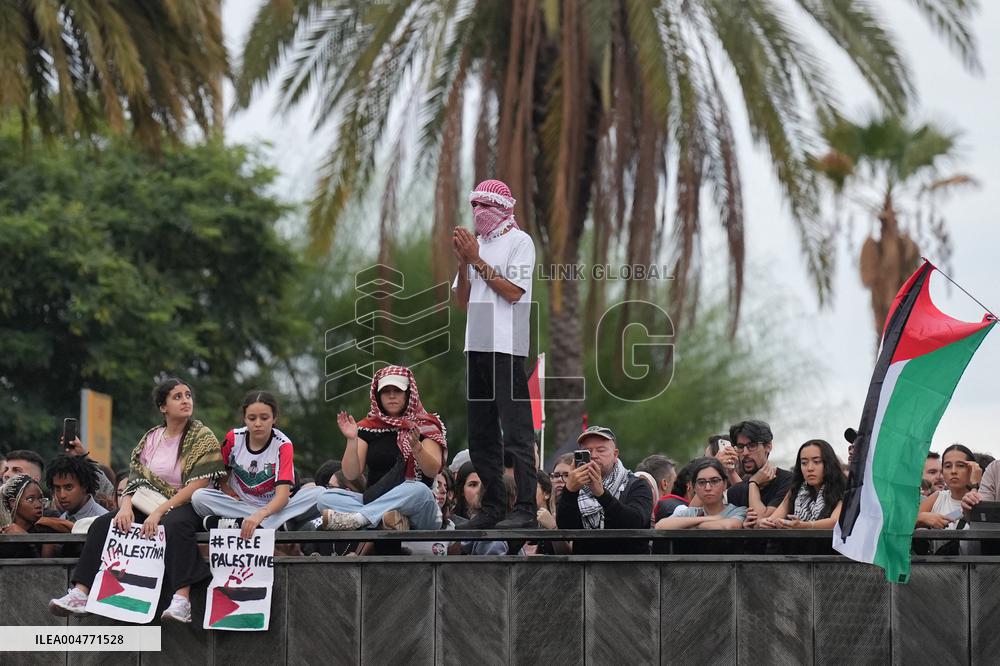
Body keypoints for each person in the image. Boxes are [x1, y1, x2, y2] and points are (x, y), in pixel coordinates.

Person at [48, 377, 225, 623]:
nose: (185, 401)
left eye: (188, 395)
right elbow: (136, 478)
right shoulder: (152, 437)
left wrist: (160, 512)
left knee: (174, 525)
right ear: (163, 407)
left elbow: (199, 484)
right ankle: (81, 592)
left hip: (188, 503)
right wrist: (126, 506)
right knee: (103, 524)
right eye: (177, 397)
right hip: (148, 502)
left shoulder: (202, 435)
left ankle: (182, 599)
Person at [452, 178, 537, 529]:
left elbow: (514, 292)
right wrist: (463, 262)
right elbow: (462, 302)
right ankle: (494, 506)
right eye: (474, 206)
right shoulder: (477, 246)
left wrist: (476, 260)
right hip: (477, 346)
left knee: (517, 432)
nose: (478, 213)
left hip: (507, 347)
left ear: (504, 208)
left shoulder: (520, 241)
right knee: (481, 434)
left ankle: (527, 508)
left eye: (485, 206)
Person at [318, 366, 446, 532]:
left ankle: (361, 518)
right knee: (324, 498)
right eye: (386, 391)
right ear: (378, 396)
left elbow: (432, 470)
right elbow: (351, 474)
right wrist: (351, 440)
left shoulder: (426, 425)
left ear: (408, 394)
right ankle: (387, 519)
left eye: (397, 390)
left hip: (418, 509)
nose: (392, 396)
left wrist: (417, 448)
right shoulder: (367, 427)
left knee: (419, 490)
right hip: (376, 498)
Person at [191, 391, 323, 537]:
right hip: (241, 505)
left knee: (320, 494)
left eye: (264, 418)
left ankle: (238, 523)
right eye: (252, 418)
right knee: (198, 497)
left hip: (274, 507)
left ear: (274, 418)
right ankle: (276, 524)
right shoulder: (233, 439)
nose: (258, 424)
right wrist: (227, 490)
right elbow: (223, 474)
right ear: (244, 418)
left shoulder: (283, 445)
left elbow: (283, 496)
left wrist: (260, 515)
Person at [556, 426, 653, 554]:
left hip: (629, 568)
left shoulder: (637, 484)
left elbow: (636, 523)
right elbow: (566, 528)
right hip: (585, 568)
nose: (594, 456)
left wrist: (602, 495)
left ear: (615, 454)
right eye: (587, 451)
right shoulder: (575, 488)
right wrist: (570, 492)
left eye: (601, 450)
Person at [758, 440, 845, 529]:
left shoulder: (842, 488)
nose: (810, 468)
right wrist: (765, 522)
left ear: (829, 463)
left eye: (817, 462)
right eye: (804, 463)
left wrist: (806, 525)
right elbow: (775, 518)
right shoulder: (797, 488)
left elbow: (836, 522)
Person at [724, 419, 793, 518]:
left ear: (768, 447)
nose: (745, 452)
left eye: (752, 446)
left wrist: (753, 483)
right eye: (740, 447)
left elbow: (764, 524)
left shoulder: (789, 481)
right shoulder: (736, 491)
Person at [655, 458, 746, 530]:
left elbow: (728, 526)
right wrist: (709, 518)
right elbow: (660, 526)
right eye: (701, 482)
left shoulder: (738, 511)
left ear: (725, 484)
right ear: (694, 487)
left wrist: (690, 526)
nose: (708, 488)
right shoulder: (691, 512)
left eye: (714, 481)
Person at [1, 474, 73, 558]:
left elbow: (43, 568)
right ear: (13, 502)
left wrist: (27, 539)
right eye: (30, 499)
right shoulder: (4, 534)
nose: (39, 505)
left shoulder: (45, 529)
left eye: (40, 499)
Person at [917, 444, 980, 532]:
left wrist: (975, 485)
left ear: (973, 469)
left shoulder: (984, 498)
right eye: (948, 466)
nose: (953, 471)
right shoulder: (938, 497)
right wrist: (922, 517)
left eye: (960, 465)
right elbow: (904, 521)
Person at [45, 454, 108, 523]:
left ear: (85, 486)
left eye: (68, 487)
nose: (62, 495)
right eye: (57, 488)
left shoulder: (104, 521)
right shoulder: (61, 520)